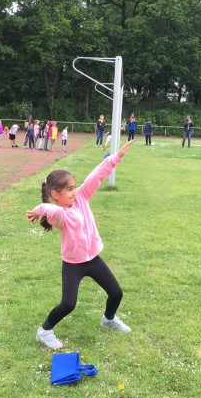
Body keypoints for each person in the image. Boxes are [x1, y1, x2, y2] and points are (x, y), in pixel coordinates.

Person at [26, 140, 135, 350]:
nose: (74, 192)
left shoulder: (82, 198)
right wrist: (39, 210)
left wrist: (114, 158)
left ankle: (108, 319)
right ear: (55, 194)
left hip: (93, 259)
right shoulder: (59, 215)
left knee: (116, 293)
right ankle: (44, 331)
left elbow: (96, 176)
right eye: (69, 189)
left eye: (74, 187)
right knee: (68, 304)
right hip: (73, 264)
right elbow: (51, 210)